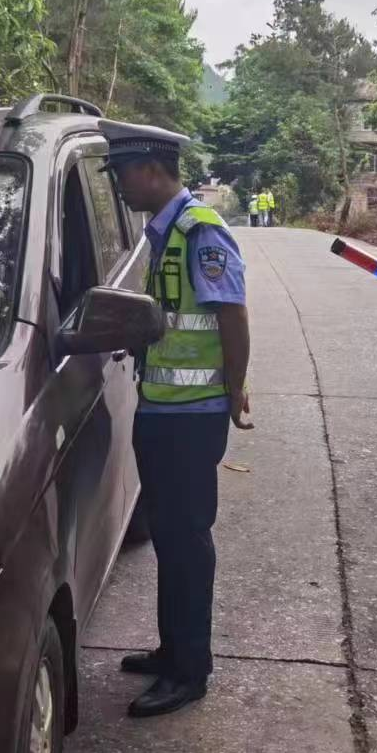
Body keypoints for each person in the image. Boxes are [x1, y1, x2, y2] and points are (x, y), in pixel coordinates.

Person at [102, 122, 255, 718]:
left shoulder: (199, 232)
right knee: (168, 535)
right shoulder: (162, 232)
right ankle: (172, 650)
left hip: (192, 416)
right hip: (162, 407)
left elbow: (232, 315)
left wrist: (235, 389)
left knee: (187, 539)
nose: (120, 186)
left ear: (150, 170)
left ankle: (190, 670)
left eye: (122, 174)